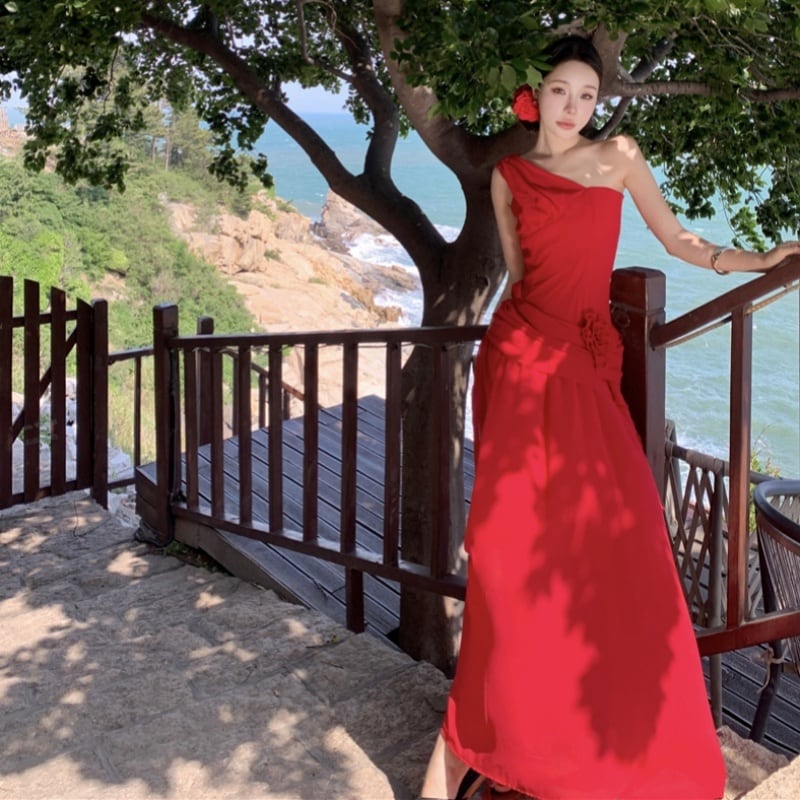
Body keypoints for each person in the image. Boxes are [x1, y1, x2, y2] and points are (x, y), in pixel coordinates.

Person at [419, 34, 800, 800]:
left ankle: (591, 744)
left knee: (619, 554)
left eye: (586, 96)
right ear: (535, 94)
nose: (573, 107)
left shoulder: (618, 156)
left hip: (583, 374)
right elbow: (523, 281)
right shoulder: (510, 176)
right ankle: (461, 752)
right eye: (560, 91)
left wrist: (758, 262)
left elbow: (678, 239)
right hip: (519, 369)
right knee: (512, 563)